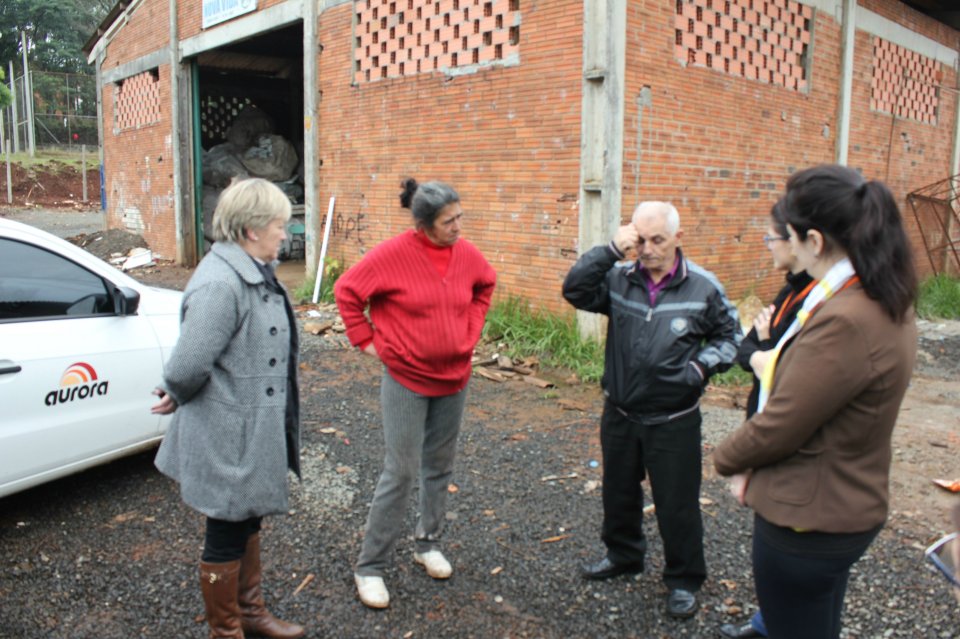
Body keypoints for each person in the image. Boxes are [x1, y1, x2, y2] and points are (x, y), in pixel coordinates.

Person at [713, 164, 918, 639]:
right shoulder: (878, 295)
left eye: (787, 236)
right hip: (842, 504)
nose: (781, 245)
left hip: (808, 521)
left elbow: (784, 422)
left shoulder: (845, 318)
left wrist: (726, 458)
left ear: (815, 241)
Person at [562, 201, 741, 619]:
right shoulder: (620, 279)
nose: (647, 249)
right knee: (618, 493)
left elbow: (732, 338)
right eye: (639, 240)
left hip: (673, 420)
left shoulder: (702, 287)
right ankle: (623, 556)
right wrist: (610, 250)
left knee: (677, 504)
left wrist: (699, 367)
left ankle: (683, 579)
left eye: (657, 240)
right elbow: (575, 291)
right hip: (621, 412)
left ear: (678, 238)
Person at [151, 178, 305, 639]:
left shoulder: (253, 271)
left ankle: (250, 614)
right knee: (225, 528)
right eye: (279, 225)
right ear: (251, 230)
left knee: (247, 516)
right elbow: (188, 362)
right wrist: (175, 390)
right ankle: (226, 630)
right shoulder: (222, 283)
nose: (285, 234)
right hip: (228, 431)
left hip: (250, 427)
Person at [334, 178, 496, 609]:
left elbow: (485, 285)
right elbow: (347, 292)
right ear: (423, 225)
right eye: (448, 221)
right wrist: (368, 342)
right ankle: (370, 567)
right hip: (406, 379)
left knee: (439, 466)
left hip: (454, 378)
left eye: (460, 217)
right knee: (401, 471)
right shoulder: (391, 255)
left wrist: (469, 332)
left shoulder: (467, 254)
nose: (458, 227)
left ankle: (428, 544)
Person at [718, 199, 814, 639]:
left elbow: (785, 368)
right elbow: (745, 351)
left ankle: (778, 623)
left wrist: (763, 349)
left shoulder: (816, 300)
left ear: (799, 241)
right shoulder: (789, 291)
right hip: (767, 425)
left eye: (772, 238)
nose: (768, 246)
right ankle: (768, 621)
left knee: (784, 554)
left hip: (784, 442)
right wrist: (761, 350)